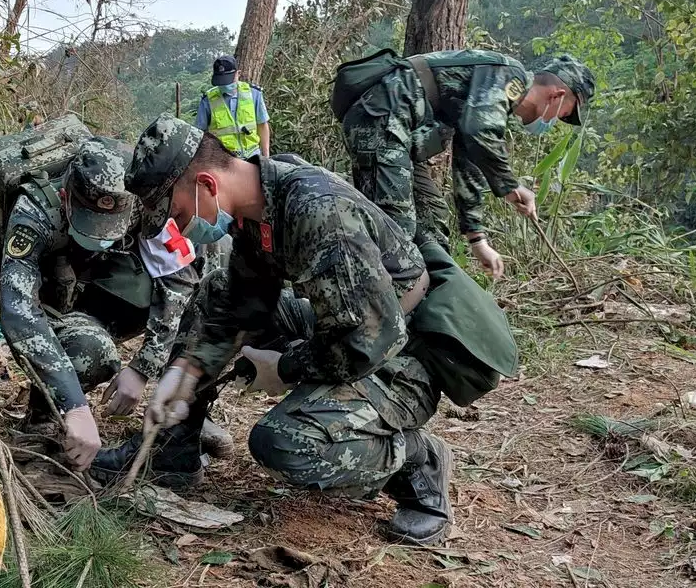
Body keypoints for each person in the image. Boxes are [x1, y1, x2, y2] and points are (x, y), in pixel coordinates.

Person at [103, 115, 514, 545]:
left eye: (179, 213)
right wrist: (188, 371)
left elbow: (366, 342)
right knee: (215, 291)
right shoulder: (257, 203)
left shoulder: (316, 211)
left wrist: (284, 367)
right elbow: (242, 303)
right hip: (345, 323)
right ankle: (174, 450)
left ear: (207, 184)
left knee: (283, 443)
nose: (180, 227)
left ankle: (417, 460)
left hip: (403, 354)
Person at [0, 137, 231, 472]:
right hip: (56, 301)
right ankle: (44, 415)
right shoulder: (34, 212)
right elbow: (18, 312)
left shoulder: (143, 200)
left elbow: (178, 282)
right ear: (66, 197)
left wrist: (142, 369)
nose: (101, 235)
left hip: (107, 291)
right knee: (91, 351)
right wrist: (74, 404)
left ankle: (180, 420)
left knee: (214, 277)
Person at [339, 51, 595, 279]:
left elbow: (469, 158)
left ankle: (432, 304)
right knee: (396, 231)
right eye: (564, 114)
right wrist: (511, 186)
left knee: (432, 219)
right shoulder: (510, 75)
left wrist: (477, 239)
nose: (556, 120)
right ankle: (369, 311)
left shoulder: (492, 101)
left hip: (397, 131)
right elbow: (479, 132)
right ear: (557, 95)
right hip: (382, 119)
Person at [196, 54, 271, 159]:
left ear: (238, 74)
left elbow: (262, 125)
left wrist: (266, 156)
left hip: (252, 156)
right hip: (223, 159)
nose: (225, 84)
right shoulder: (208, 100)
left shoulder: (254, 94)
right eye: (221, 81)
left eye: (227, 80)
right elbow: (200, 133)